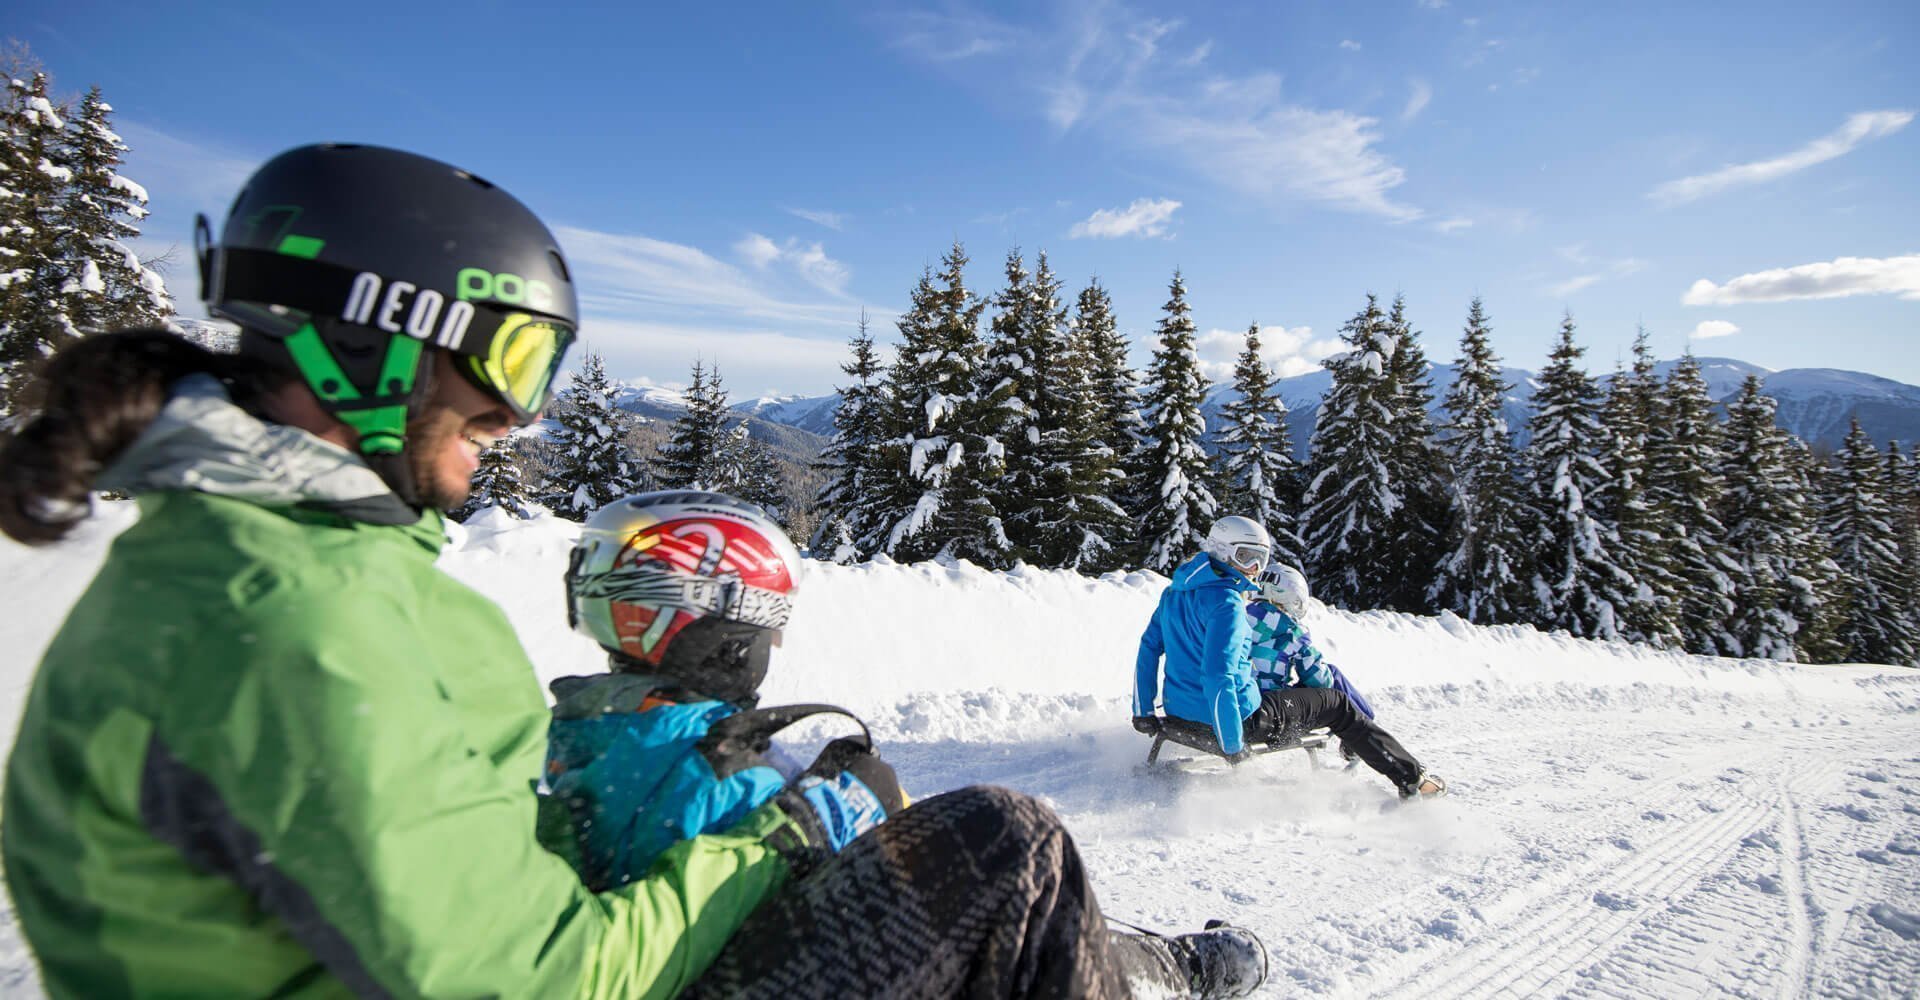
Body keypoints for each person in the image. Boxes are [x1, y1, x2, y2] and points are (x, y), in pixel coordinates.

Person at [0, 142, 1267, 999]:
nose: (518, 418)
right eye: (509, 360)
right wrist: (772, 836)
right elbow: (530, 976)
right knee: (1001, 839)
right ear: (374, 347)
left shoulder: (278, 574)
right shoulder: (282, 618)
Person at [542, 489, 899, 892]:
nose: (773, 641)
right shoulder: (715, 768)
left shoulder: (594, 722)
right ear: (726, 632)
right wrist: (857, 803)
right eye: (769, 616)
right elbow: (822, 883)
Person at [1133, 515, 1446, 799]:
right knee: (1338, 704)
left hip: (1179, 714)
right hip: (1240, 721)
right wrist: (1232, 744)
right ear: (1223, 551)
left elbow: (1148, 649)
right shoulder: (1227, 604)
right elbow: (1218, 675)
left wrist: (1143, 711)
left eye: (1261, 560)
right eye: (1247, 557)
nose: (1254, 569)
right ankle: (1413, 780)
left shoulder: (1174, 593)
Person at [1246, 562, 1377, 722]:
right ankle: (1365, 722)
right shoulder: (1291, 630)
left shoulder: (1238, 617)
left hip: (1243, 698)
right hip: (1274, 706)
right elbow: (1319, 680)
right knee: (1332, 673)